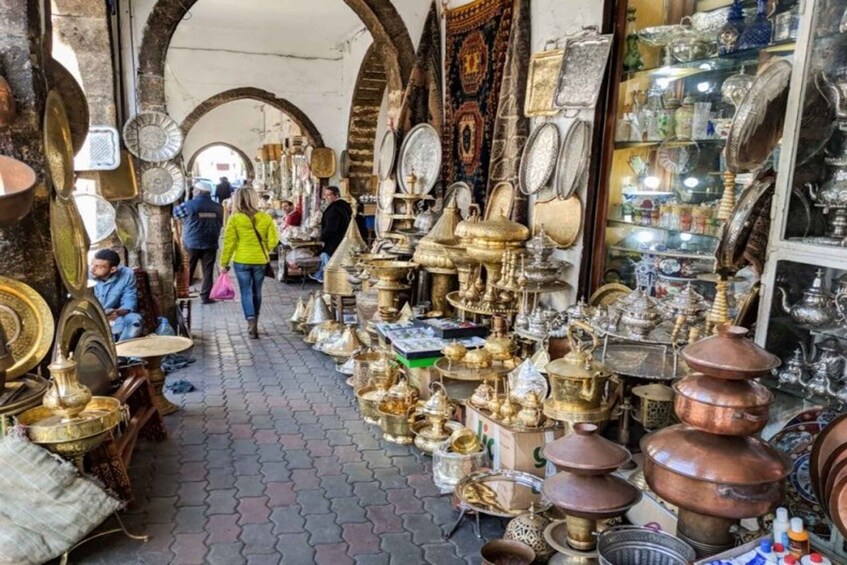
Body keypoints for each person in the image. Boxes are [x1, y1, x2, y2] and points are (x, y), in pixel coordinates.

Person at [220, 187, 279, 339]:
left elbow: (229, 243)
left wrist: (223, 263)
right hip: (260, 260)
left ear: (237, 200)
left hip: (241, 260)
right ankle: (256, 322)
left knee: (246, 292)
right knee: (256, 291)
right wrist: (264, 247)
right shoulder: (265, 218)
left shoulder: (234, 218)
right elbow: (274, 240)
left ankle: (251, 323)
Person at [173, 179, 224, 304]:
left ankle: (184, 292)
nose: (193, 192)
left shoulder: (189, 204)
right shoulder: (218, 207)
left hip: (192, 242)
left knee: (188, 268)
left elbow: (175, 214)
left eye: (195, 190)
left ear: (199, 191)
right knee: (208, 271)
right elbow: (220, 223)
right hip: (211, 241)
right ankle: (205, 297)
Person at [90, 249, 144, 342]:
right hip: (91, 316)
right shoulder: (85, 274)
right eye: (92, 264)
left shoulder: (127, 274)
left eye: (98, 266)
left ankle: (122, 352)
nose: (92, 269)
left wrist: (117, 312)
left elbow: (129, 299)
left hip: (113, 316)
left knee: (135, 320)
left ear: (112, 269)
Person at [311, 186, 352, 283]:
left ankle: (327, 278)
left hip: (333, 240)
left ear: (336, 195)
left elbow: (331, 228)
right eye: (325, 195)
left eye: (328, 195)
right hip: (341, 238)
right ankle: (322, 275)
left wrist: (322, 237)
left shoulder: (335, 209)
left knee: (330, 260)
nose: (326, 197)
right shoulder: (343, 206)